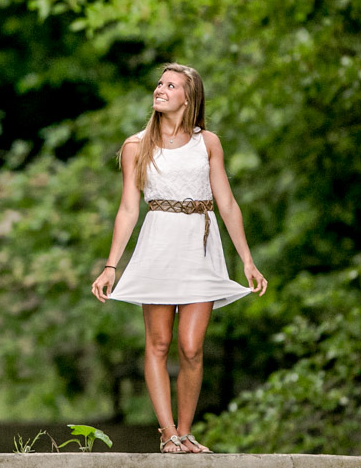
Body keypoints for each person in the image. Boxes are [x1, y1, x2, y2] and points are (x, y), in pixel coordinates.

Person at [91, 62, 268, 454]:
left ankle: (186, 432)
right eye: (160, 84)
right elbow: (127, 210)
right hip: (158, 245)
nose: (161, 90)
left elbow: (227, 203)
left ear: (189, 98)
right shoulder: (136, 146)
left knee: (191, 346)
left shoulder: (208, 144)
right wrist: (110, 266)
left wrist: (248, 260)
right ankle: (167, 433)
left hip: (199, 248)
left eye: (171, 86)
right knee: (158, 343)